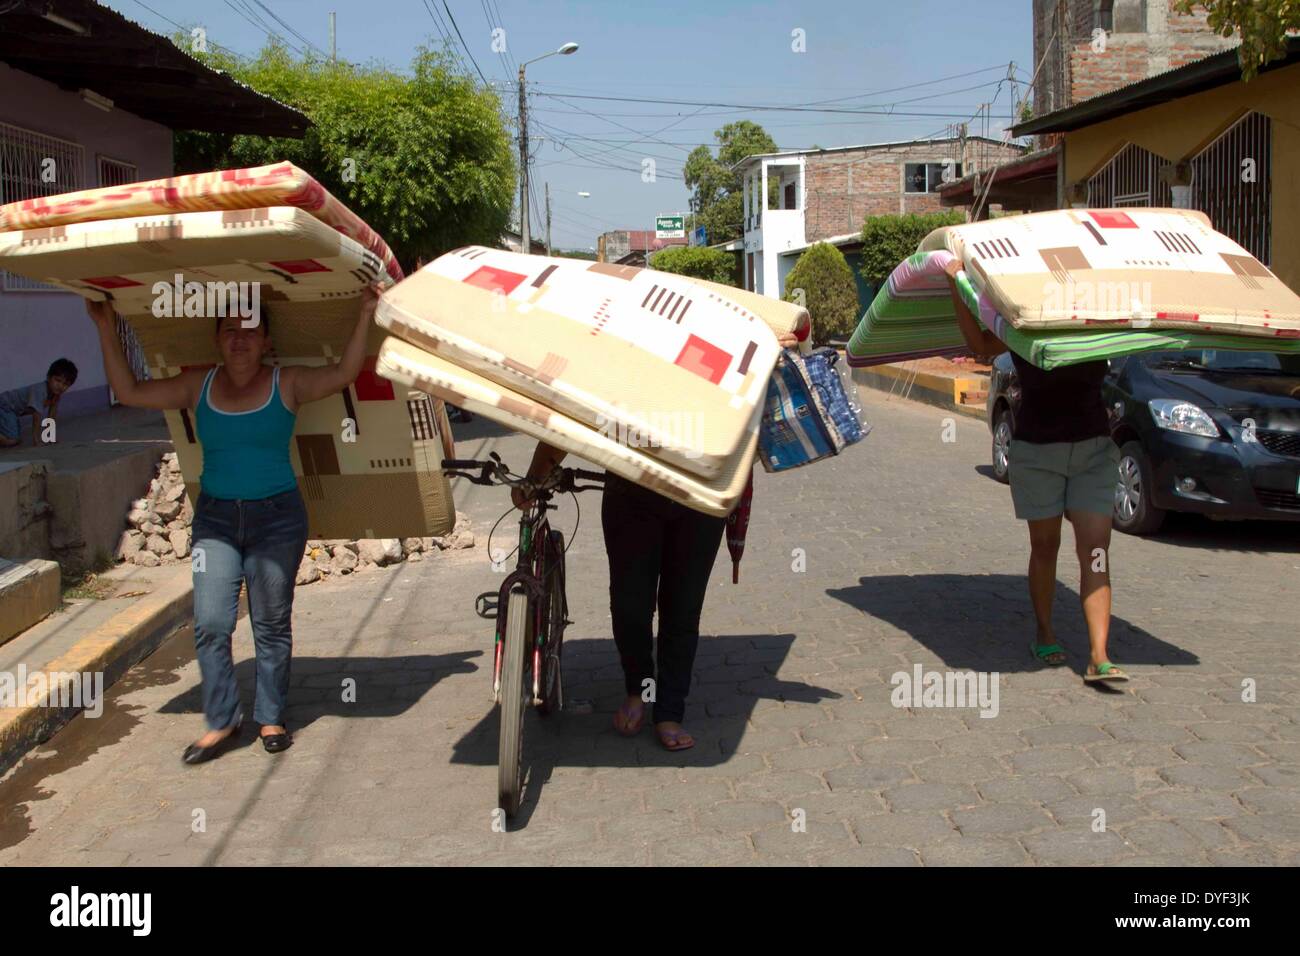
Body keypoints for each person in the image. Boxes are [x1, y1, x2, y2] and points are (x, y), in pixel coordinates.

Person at [86, 287, 382, 763]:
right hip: (216, 521)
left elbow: (345, 373)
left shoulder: (288, 383)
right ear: (217, 340)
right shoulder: (196, 385)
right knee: (211, 621)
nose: (239, 339)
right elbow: (129, 392)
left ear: (266, 340)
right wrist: (104, 324)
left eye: (249, 330)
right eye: (229, 331)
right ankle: (223, 720)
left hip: (277, 519)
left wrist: (366, 312)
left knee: (270, 622)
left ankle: (270, 716)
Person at [511, 328, 801, 751]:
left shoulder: (715, 364)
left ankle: (669, 710)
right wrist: (534, 480)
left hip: (699, 500)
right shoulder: (614, 363)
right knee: (630, 605)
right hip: (632, 498)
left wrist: (775, 353)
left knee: (682, 609)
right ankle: (638, 690)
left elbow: (762, 393)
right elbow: (566, 420)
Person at [944, 258, 1128, 684]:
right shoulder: (1025, 322)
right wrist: (957, 283)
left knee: (1096, 550)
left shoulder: (1098, 321)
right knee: (1045, 545)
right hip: (1037, 452)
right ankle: (1045, 633)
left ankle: (1099, 655)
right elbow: (979, 345)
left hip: (1093, 451)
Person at [0, 358, 77, 447]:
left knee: (15, 437)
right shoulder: (40, 391)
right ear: (48, 378)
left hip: (12, 412)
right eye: (57, 380)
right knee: (13, 439)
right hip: (4, 406)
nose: (60, 386)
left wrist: (49, 438)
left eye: (65, 384)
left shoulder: (56, 396)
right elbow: (36, 417)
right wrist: (36, 441)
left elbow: (51, 416)